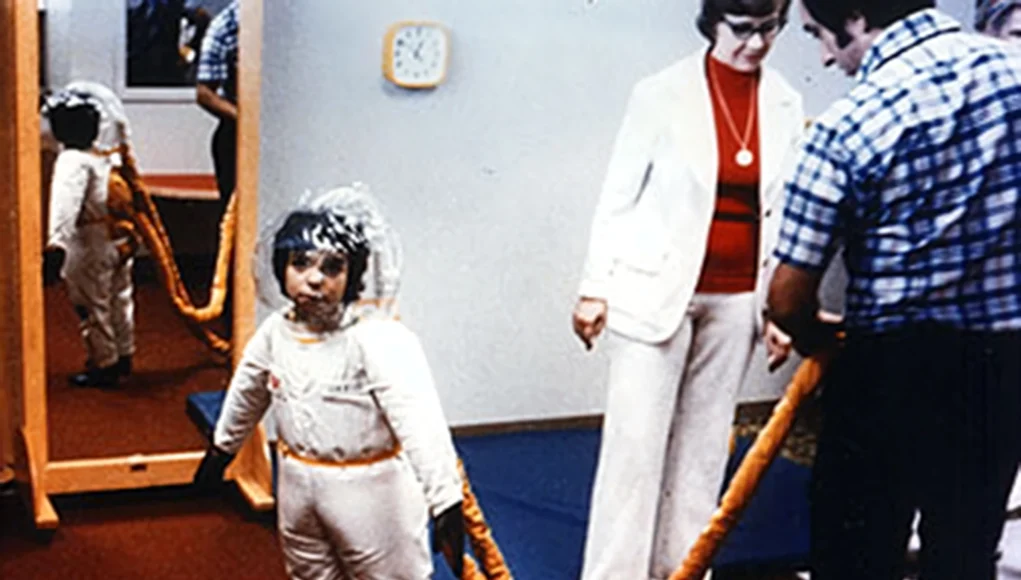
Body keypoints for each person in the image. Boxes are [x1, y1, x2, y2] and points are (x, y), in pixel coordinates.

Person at [767, 1, 1021, 578]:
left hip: (888, 372)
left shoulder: (848, 126)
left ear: (854, 15)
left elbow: (786, 297)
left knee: (854, 556)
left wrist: (814, 335)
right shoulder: (1014, 75)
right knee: (964, 554)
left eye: (820, 37)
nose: (827, 57)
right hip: (1001, 368)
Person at [571, 0, 805, 577]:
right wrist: (594, 286)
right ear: (713, 23)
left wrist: (778, 310)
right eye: (743, 30)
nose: (756, 43)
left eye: (769, 29)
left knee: (703, 453)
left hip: (738, 300)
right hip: (654, 292)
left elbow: (783, 215)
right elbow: (618, 196)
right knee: (635, 453)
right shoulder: (659, 93)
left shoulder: (785, 101)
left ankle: (683, 571)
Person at [192, 185, 466, 580]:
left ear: (352, 274)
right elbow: (247, 392)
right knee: (309, 572)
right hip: (298, 483)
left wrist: (445, 502)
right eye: (300, 263)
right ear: (280, 267)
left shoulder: (377, 339)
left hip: (369, 491)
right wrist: (222, 447)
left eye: (332, 267)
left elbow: (419, 420)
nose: (314, 279)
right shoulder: (276, 332)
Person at [43, 87, 137, 387]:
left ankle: (104, 363)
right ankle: (124, 354)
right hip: (118, 238)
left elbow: (65, 206)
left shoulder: (72, 161)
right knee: (120, 298)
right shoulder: (105, 156)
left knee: (92, 305)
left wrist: (56, 246)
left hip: (89, 243)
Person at [196, 0, 238, 209]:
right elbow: (205, 93)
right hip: (237, 134)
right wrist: (246, 119)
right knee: (234, 213)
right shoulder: (226, 26)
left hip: (287, 130)